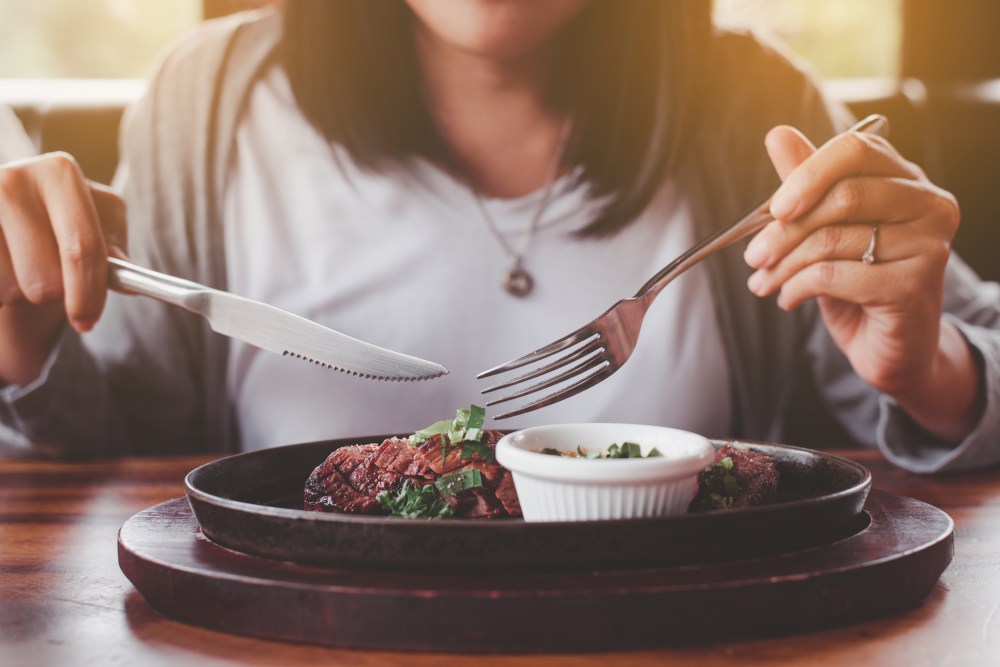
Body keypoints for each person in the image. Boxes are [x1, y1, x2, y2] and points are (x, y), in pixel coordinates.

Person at [0, 1, 993, 473]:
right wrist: (24, 344)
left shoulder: (756, 105)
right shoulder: (205, 102)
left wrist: (931, 369)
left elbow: (964, 366)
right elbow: (114, 443)